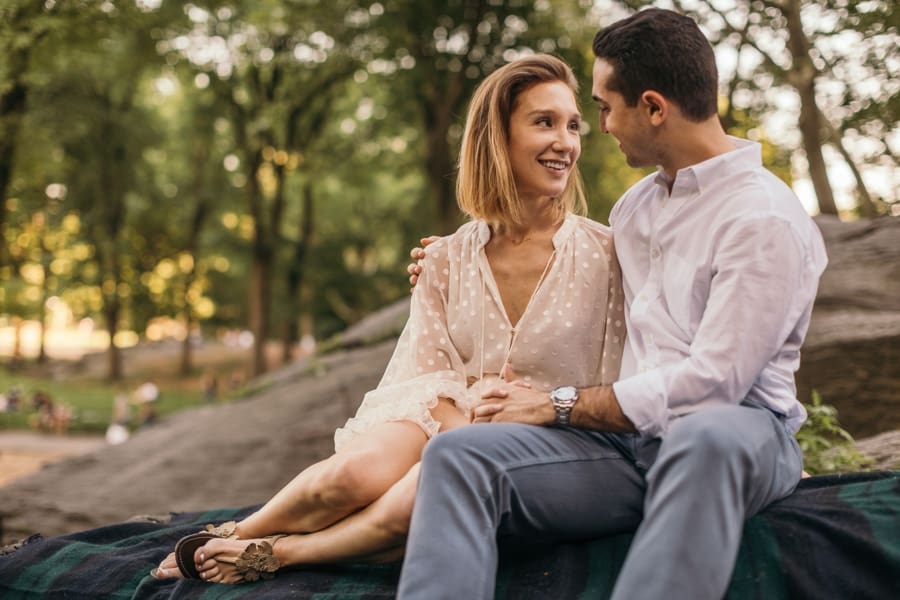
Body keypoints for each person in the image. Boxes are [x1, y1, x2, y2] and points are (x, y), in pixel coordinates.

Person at [397, 9, 828, 600]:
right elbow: (562, 268)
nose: (598, 127)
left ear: (652, 107)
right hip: (627, 449)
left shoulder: (762, 218)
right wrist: (449, 261)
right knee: (458, 454)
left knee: (706, 436)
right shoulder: (635, 210)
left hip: (737, 434)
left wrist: (558, 404)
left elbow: (715, 385)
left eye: (603, 108)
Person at [152, 53, 626, 584]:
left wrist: (500, 427)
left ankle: (274, 552)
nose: (566, 142)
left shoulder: (607, 255)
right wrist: (466, 430)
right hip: (454, 418)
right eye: (544, 122)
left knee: (421, 491)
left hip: (555, 437)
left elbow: (619, 384)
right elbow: (429, 376)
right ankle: (234, 532)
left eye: (573, 126)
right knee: (351, 475)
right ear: (497, 137)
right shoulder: (445, 258)